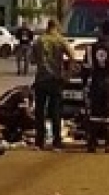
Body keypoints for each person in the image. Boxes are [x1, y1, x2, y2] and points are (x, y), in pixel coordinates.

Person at [31, 20, 77, 150]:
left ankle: (39, 141)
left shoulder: (38, 41)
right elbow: (72, 56)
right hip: (55, 79)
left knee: (40, 111)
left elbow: (32, 60)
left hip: (41, 79)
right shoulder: (60, 40)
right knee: (55, 111)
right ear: (56, 27)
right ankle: (56, 141)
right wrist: (68, 74)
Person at [82, 20, 109, 153]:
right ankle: (108, 144)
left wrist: (85, 83)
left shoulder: (90, 48)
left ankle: (92, 144)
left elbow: (86, 66)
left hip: (95, 81)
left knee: (95, 112)